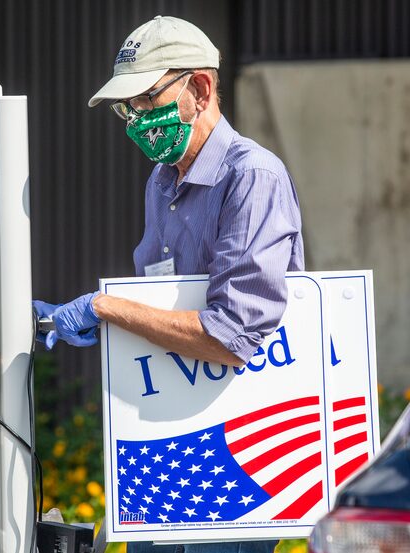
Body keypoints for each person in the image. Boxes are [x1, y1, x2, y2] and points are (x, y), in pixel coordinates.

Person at [34, 15, 304, 553]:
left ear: (200, 89)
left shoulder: (252, 177)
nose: (136, 120)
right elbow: (165, 305)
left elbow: (230, 337)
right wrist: (112, 325)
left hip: (235, 466)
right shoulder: (162, 182)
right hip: (169, 453)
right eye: (127, 108)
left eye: (146, 100)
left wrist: (107, 308)